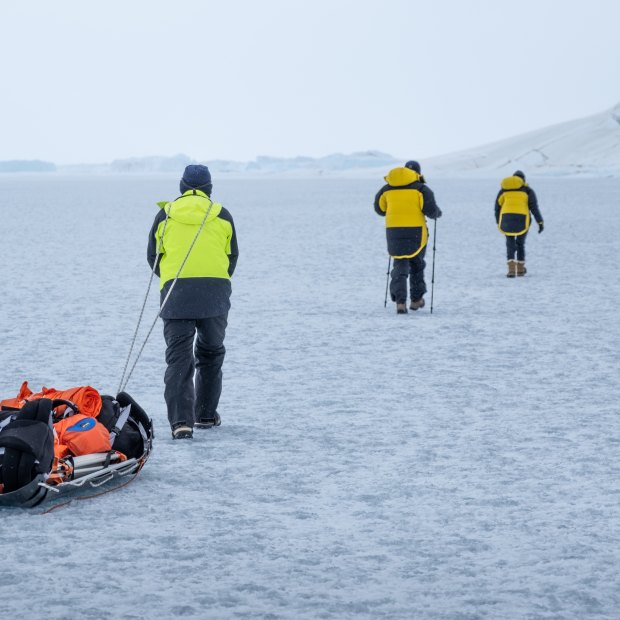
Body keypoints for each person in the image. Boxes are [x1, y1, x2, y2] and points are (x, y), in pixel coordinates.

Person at [147, 164, 239, 439]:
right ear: (209, 188)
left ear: (181, 187)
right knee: (211, 353)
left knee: (179, 359)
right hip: (215, 292)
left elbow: (153, 257)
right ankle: (206, 415)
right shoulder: (222, 215)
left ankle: (181, 423)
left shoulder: (165, 215)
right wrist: (216, 282)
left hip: (176, 293)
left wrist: (171, 279)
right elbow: (232, 256)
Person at [374, 160, 442, 314]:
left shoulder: (386, 189)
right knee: (417, 264)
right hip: (416, 232)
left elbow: (379, 209)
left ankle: (400, 302)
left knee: (400, 265)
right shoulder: (421, 189)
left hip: (394, 232)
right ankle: (416, 300)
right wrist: (438, 213)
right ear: (417, 173)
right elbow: (431, 211)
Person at [495, 170, 544, 277]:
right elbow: (534, 208)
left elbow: (497, 208)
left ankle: (511, 270)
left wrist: (498, 221)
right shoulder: (528, 190)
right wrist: (540, 222)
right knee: (520, 243)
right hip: (522, 219)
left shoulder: (503, 190)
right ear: (523, 180)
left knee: (510, 243)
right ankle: (520, 270)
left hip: (506, 218)